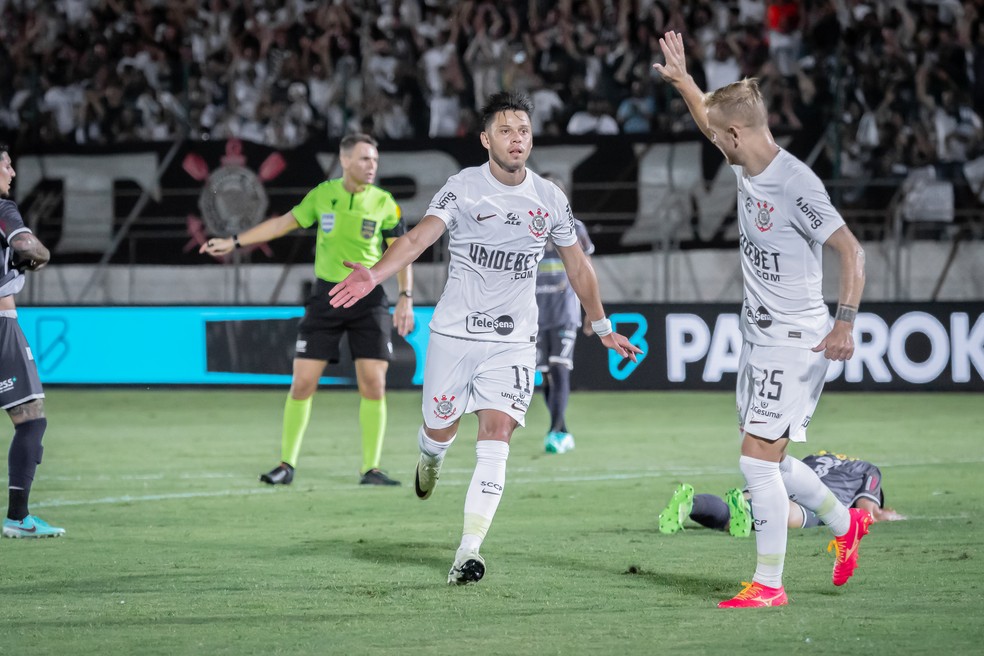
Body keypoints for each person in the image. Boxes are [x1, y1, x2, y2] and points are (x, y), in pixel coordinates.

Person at [329, 91, 642, 585]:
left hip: (514, 339)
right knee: (439, 432)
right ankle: (429, 459)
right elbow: (416, 239)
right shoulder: (463, 188)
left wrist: (601, 325)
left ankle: (468, 551)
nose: (517, 139)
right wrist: (374, 274)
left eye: (523, 131)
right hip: (455, 335)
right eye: (505, 131)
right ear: (485, 139)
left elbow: (578, 266)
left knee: (496, 436)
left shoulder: (549, 198)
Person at [655, 32, 870, 608]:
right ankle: (845, 524)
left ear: (739, 135)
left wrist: (845, 323)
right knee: (771, 457)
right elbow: (711, 119)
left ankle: (769, 586)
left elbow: (852, 251)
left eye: (719, 135)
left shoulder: (796, 183)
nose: (712, 139)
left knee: (754, 459)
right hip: (759, 336)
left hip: (795, 340)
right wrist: (683, 82)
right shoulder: (746, 163)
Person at [200, 133, 414, 486]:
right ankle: (286, 465)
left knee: (374, 385)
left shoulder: (385, 203)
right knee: (302, 384)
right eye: (364, 159)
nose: (371, 165)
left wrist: (405, 295)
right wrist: (235, 241)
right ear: (345, 161)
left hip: (368, 298)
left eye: (374, 160)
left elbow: (401, 250)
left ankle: (371, 469)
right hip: (326, 297)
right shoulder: (322, 195)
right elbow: (283, 223)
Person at [0, 145, 63, 538]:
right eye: (4, 164)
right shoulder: (3, 210)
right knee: (31, 417)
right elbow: (26, 246)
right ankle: (19, 518)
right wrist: (41, 255)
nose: (11, 172)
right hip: (0, 324)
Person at [658, 451, 906, 538]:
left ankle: (691, 504)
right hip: (815, 500)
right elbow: (867, 512)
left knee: (732, 511)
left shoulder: (821, 455)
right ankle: (745, 511)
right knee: (792, 514)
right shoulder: (869, 470)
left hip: (782, 477)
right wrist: (893, 516)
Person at [535, 173, 595, 455]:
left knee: (559, 369)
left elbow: (587, 271)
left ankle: (554, 431)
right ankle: (561, 428)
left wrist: (591, 311)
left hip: (564, 312)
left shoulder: (575, 228)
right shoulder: (527, 227)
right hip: (533, 314)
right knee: (546, 376)